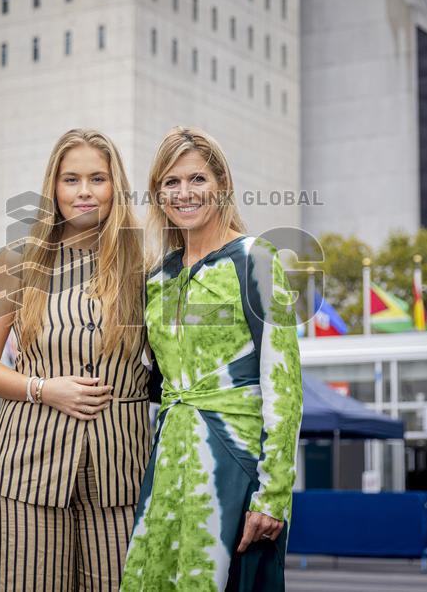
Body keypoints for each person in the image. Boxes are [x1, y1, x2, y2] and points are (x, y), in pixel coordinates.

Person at [0, 129, 151, 590]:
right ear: (54, 188)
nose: (84, 191)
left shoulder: (145, 265)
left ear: (115, 187)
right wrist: (44, 389)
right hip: (27, 467)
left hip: (121, 470)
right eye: (71, 179)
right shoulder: (15, 262)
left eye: (97, 178)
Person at [121, 127, 303, 591]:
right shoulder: (156, 278)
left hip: (235, 466)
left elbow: (284, 384)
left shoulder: (257, 258)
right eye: (171, 182)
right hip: (166, 469)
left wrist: (273, 495)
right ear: (158, 193)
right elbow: (151, 379)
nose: (184, 193)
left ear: (221, 184)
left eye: (197, 179)